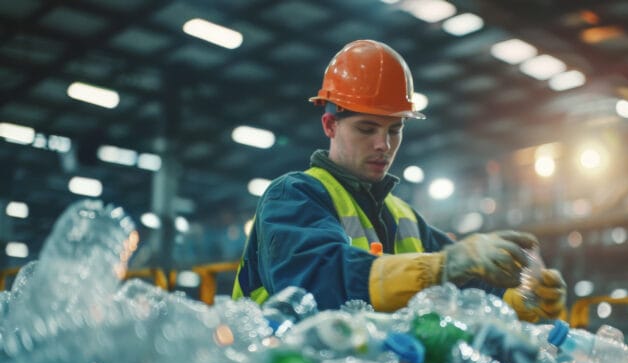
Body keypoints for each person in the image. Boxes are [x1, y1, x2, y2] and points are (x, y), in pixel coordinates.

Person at [232, 39, 566, 322]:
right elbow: (316, 284)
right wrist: (440, 268)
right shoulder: (293, 196)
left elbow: (464, 285)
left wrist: (518, 300)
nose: (384, 145)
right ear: (330, 125)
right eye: (367, 129)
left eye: (395, 130)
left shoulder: (405, 218)